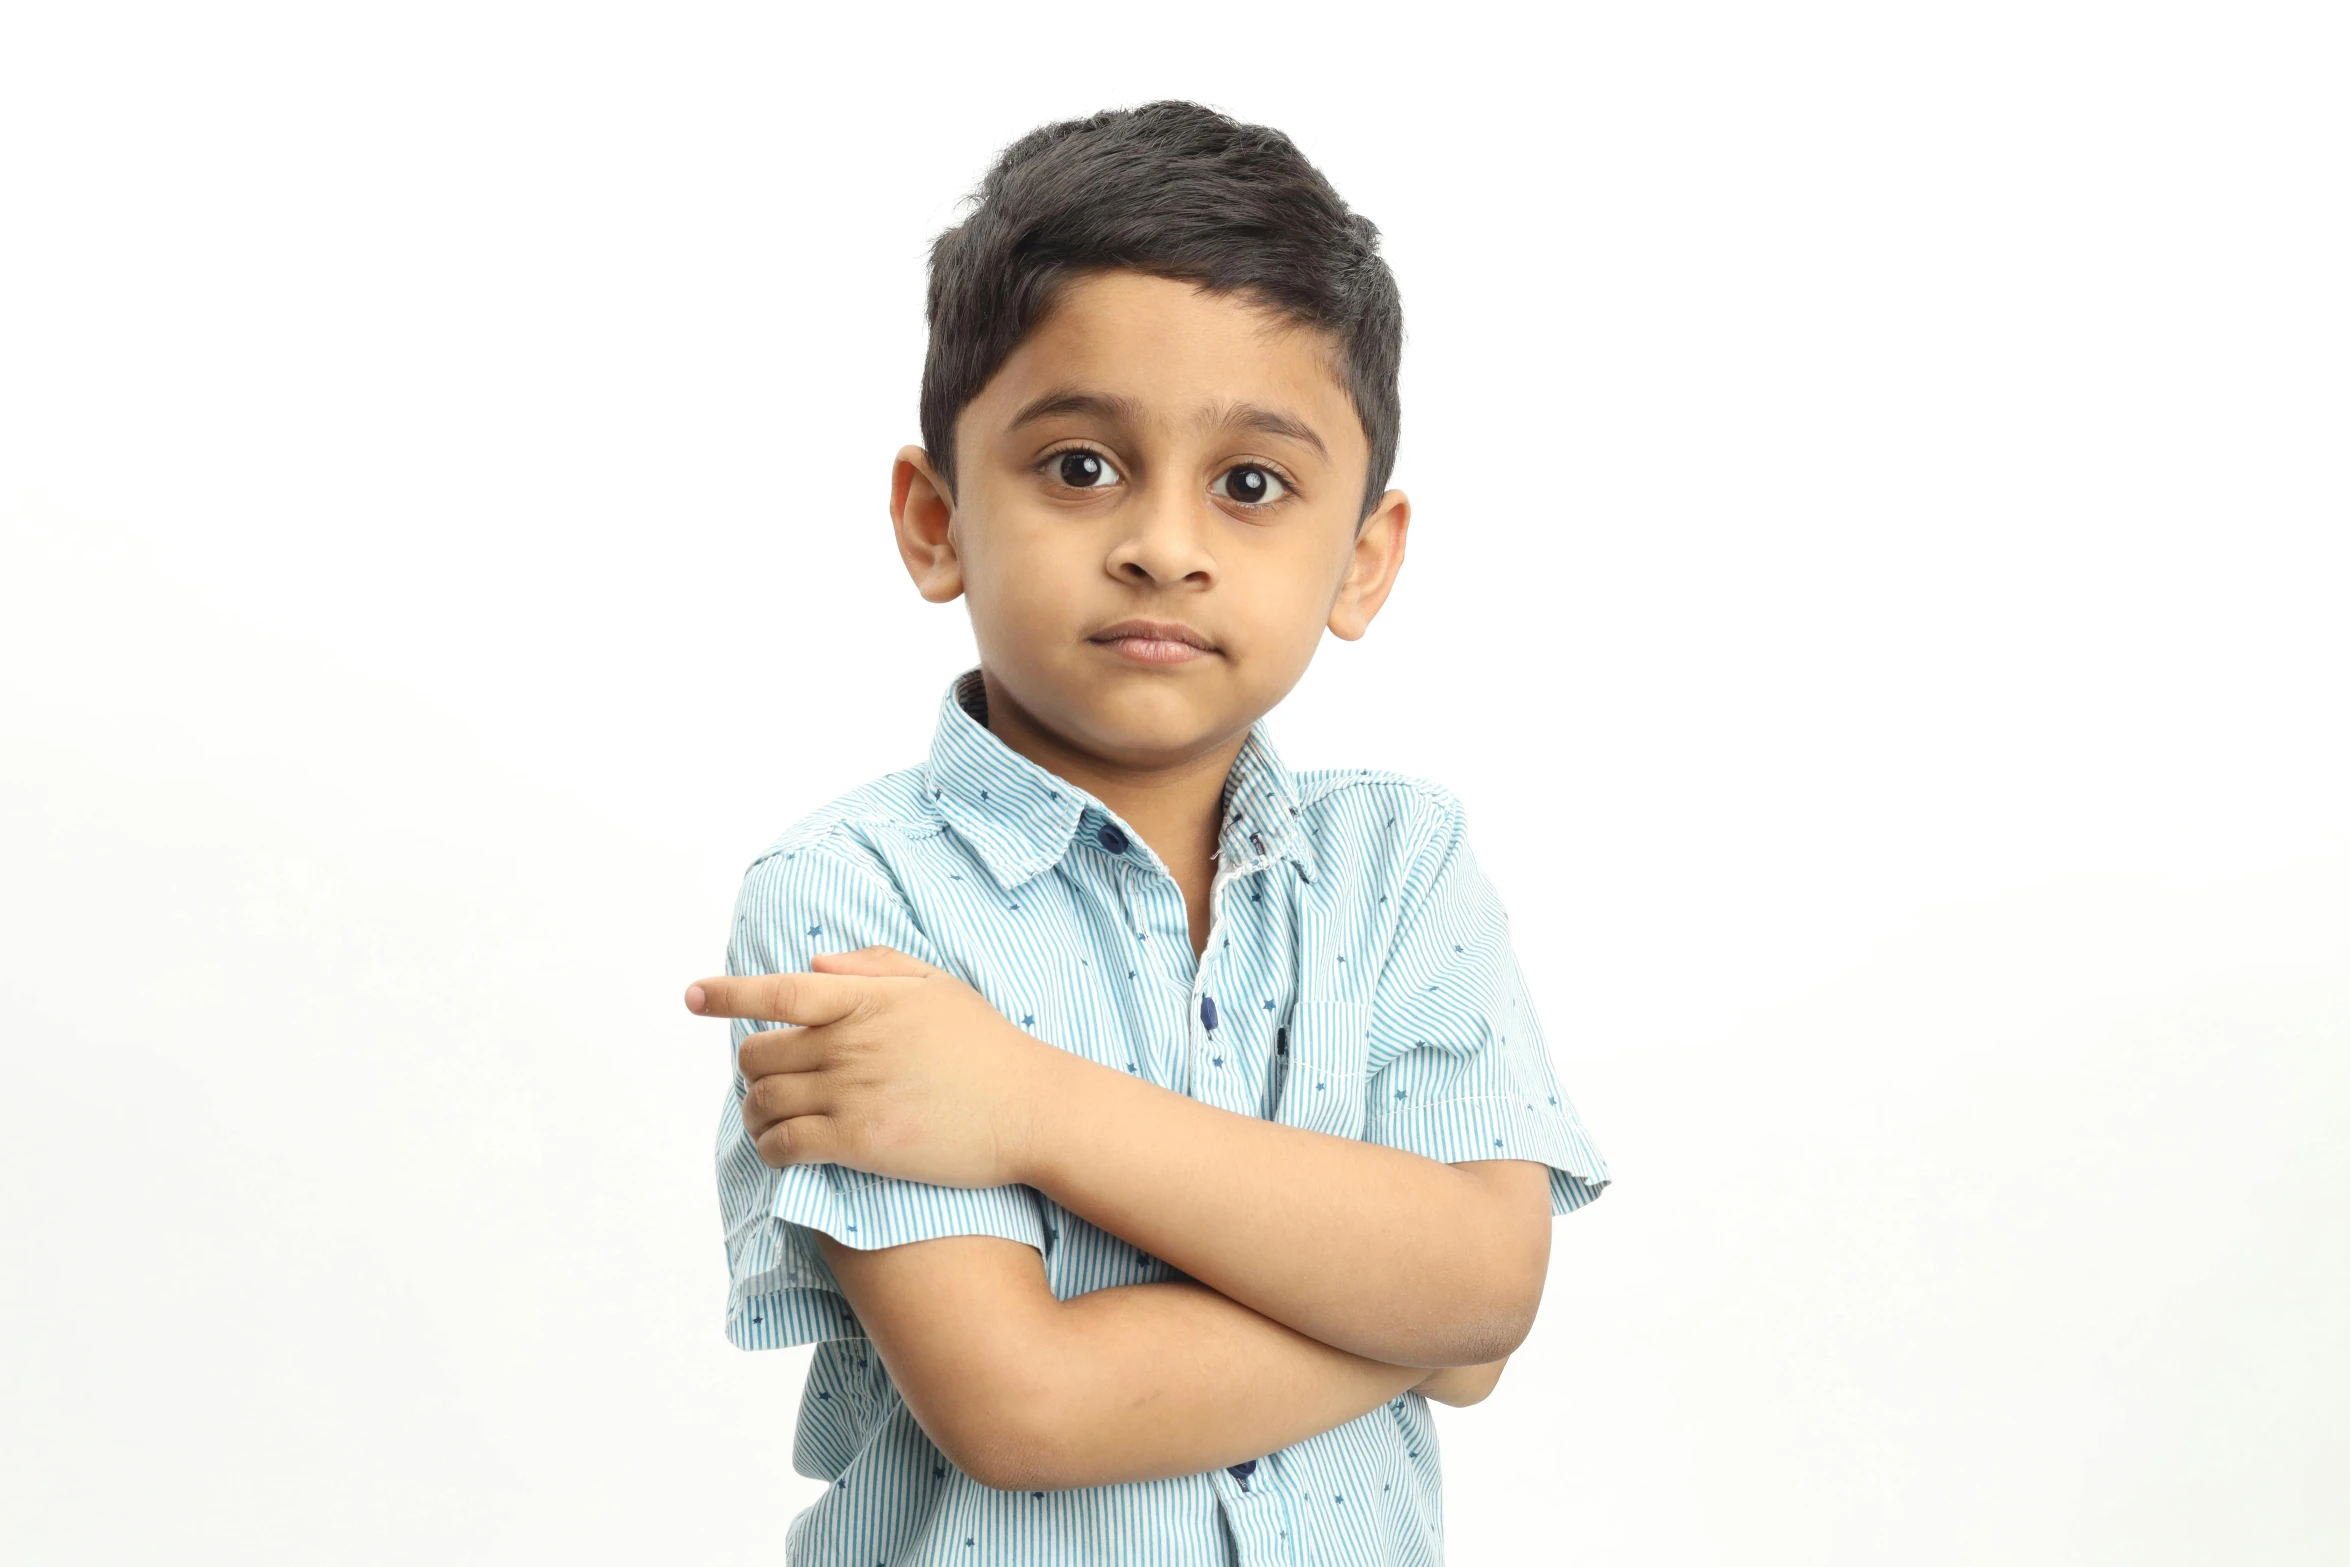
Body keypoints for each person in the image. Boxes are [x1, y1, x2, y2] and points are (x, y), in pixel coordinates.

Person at [682, 100, 1612, 1565]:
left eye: (1250, 485)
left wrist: (1023, 1104)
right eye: (1078, 466)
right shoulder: (850, 902)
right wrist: (1400, 1306)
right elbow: (1025, 1404)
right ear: (934, 521)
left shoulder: (1397, 867)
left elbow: (1488, 1291)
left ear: (1360, 560)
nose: (1163, 543)